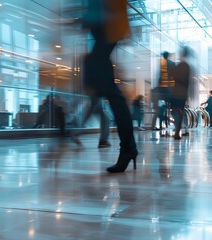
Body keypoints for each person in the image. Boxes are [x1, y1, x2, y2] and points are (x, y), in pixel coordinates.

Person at [83, 0, 137, 173]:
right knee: (110, 90)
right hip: (105, 24)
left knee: (111, 91)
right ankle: (129, 148)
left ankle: (128, 149)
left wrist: (89, 18)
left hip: (107, 24)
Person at [170, 46, 191, 140]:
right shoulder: (185, 66)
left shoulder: (180, 66)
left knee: (176, 111)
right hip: (181, 93)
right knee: (179, 112)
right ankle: (177, 130)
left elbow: (174, 77)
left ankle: (177, 130)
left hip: (177, 92)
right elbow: (187, 82)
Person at [151, 51, 175, 130]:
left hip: (163, 88)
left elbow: (160, 75)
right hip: (169, 89)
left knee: (160, 111)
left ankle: (165, 123)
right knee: (171, 107)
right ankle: (171, 122)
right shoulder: (171, 63)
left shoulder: (161, 63)